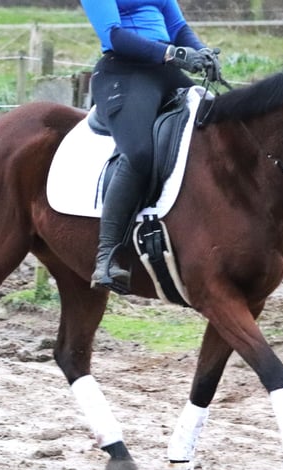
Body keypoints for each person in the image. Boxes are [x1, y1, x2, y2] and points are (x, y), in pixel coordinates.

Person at [80, 0, 220, 293]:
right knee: (139, 153)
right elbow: (114, 36)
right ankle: (107, 255)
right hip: (123, 73)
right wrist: (172, 53)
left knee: (218, 130)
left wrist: (200, 51)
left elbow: (178, 27)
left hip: (166, 73)